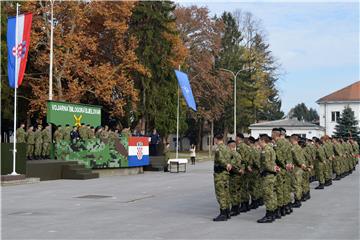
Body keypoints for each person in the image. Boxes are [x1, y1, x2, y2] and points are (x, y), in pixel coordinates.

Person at [257, 134, 280, 223]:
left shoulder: (265, 150)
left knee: (268, 196)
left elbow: (266, 164)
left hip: (268, 175)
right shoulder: (271, 149)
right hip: (272, 175)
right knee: (272, 194)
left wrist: (272, 169)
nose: (258, 142)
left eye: (259, 140)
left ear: (263, 141)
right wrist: (275, 169)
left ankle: (269, 215)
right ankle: (273, 213)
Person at [213, 134, 232, 222]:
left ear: (216, 139)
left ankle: (223, 213)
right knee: (226, 192)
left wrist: (226, 164)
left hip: (220, 174)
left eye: (215, 139)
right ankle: (227, 211)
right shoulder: (227, 148)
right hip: (226, 173)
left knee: (220, 193)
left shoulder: (218, 148)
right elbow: (230, 158)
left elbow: (220, 159)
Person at [289, 134, 307, 208]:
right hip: (299, 168)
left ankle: (297, 201)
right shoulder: (299, 147)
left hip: (297, 168)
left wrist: (300, 164)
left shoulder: (294, 148)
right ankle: (298, 200)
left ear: (293, 139)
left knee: (296, 185)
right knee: (298, 185)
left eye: (290, 139)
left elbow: (297, 158)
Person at [236, 133, 251, 213]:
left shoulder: (240, 147)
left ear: (238, 138)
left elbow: (241, 159)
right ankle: (246, 204)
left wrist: (242, 167)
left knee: (242, 188)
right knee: (245, 187)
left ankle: (244, 205)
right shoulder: (246, 146)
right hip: (246, 168)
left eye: (236, 137)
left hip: (243, 169)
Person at [227, 139, 243, 217]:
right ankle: (237, 208)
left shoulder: (232, 154)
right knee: (237, 192)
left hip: (234, 175)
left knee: (233, 193)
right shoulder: (238, 154)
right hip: (238, 175)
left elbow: (231, 165)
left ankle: (234, 209)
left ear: (230, 146)